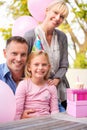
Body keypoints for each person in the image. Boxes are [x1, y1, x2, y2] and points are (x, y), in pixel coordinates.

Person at [24, 0, 70, 112]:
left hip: (61, 90)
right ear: (47, 11)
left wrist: (57, 79)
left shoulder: (62, 37)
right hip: (39, 94)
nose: (58, 18)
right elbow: (25, 65)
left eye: (62, 17)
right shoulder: (30, 36)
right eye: (55, 12)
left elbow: (64, 65)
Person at [15, 51, 59, 120]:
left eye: (44, 64)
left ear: (48, 67)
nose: (40, 67)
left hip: (46, 123)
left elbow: (55, 111)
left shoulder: (51, 87)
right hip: (27, 123)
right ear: (29, 67)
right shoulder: (23, 85)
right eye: (36, 64)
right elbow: (17, 111)